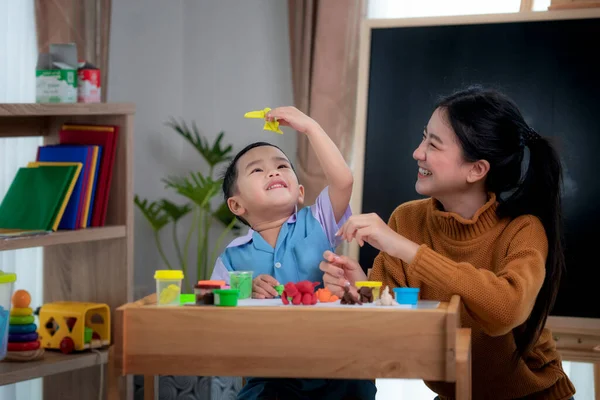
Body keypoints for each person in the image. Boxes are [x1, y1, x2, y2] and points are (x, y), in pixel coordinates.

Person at [320, 86, 576, 400]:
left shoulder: (523, 229)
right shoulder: (407, 220)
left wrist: (408, 250)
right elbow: (392, 320)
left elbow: (504, 311)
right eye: (423, 136)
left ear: (476, 169)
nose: (417, 152)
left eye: (433, 144)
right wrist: (360, 290)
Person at [211, 106, 376, 400]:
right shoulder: (231, 260)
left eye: (282, 166)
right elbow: (216, 324)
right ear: (237, 206)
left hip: (339, 368)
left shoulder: (319, 221)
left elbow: (343, 181)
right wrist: (245, 294)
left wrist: (310, 127)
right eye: (257, 170)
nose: (273, 171)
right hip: (272, 377)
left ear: (300, 192)